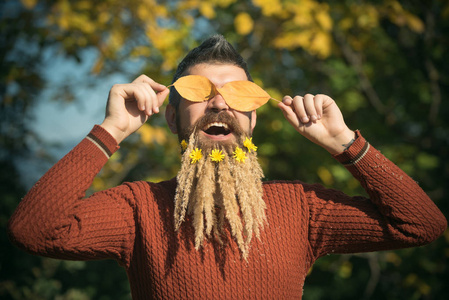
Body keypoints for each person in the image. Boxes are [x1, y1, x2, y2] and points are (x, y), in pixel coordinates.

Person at [8, 35, 446, 299]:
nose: (219, 102)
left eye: (237, 95)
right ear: (172, 117)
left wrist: (345, 144)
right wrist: (111, 131)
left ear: (253, 119)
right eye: (202, 92)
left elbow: (421, 225)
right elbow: (34, 231)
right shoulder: (138, 207)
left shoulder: (301, 208)